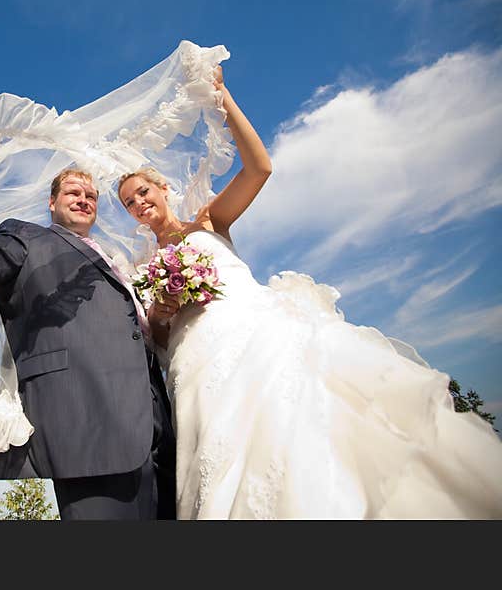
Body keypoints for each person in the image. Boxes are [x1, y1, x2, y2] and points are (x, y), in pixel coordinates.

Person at [117, 66, 502, 519]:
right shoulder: (142, 268)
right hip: (196, 360)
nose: (140, 203)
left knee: (298, 420)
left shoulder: (208, 221)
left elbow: (260, 168)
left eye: (144, 191)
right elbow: (158, 337)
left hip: (255, 330)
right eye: (129, 203)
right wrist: (162, 311)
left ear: (163, 189)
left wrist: (225, 100)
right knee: (223, 450)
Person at [0, 169, 176, 520]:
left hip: (157, 426)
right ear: (52, 202)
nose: (83, 199)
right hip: (90, 426)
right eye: (73, 192)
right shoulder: (27, 238)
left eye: (91, 196)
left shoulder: (116, 258)